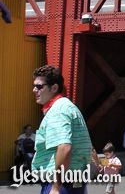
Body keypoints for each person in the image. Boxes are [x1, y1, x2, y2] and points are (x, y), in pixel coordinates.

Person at [31, 64, 93, 194]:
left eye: (39, 86)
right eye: (34, 86)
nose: (34, 90)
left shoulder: (58, 110)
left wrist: (55, 188)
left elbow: (64, 147)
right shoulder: (67, 106)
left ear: (54, 88)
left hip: (61, 184)